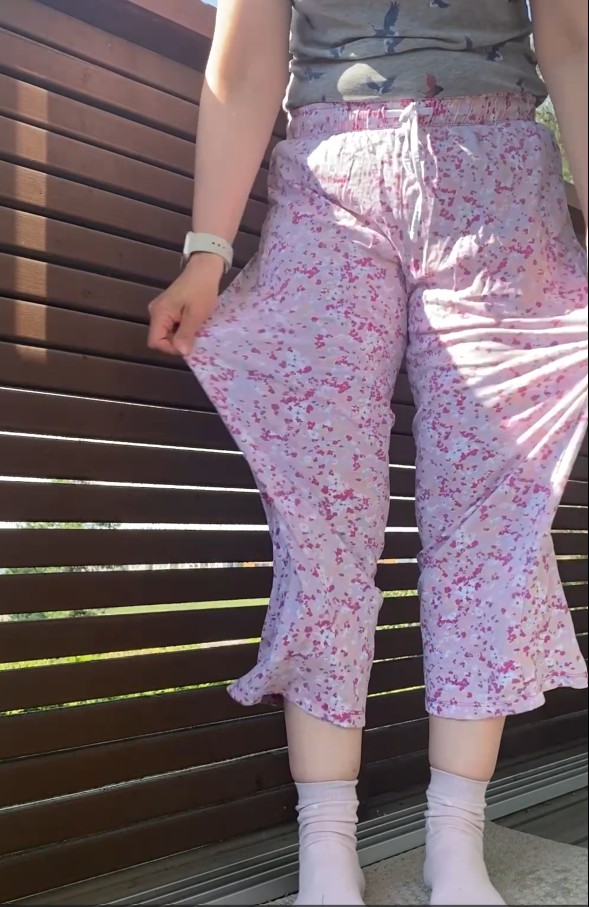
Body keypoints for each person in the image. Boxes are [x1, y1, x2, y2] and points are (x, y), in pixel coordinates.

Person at [148, 1, 588, 903]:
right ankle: (326, 844)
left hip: (500, 178)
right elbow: (246, 58)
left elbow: (572, 39)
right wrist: (207, 249)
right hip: (328, 181)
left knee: (494, 512)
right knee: (320, 516)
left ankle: (455, 842)